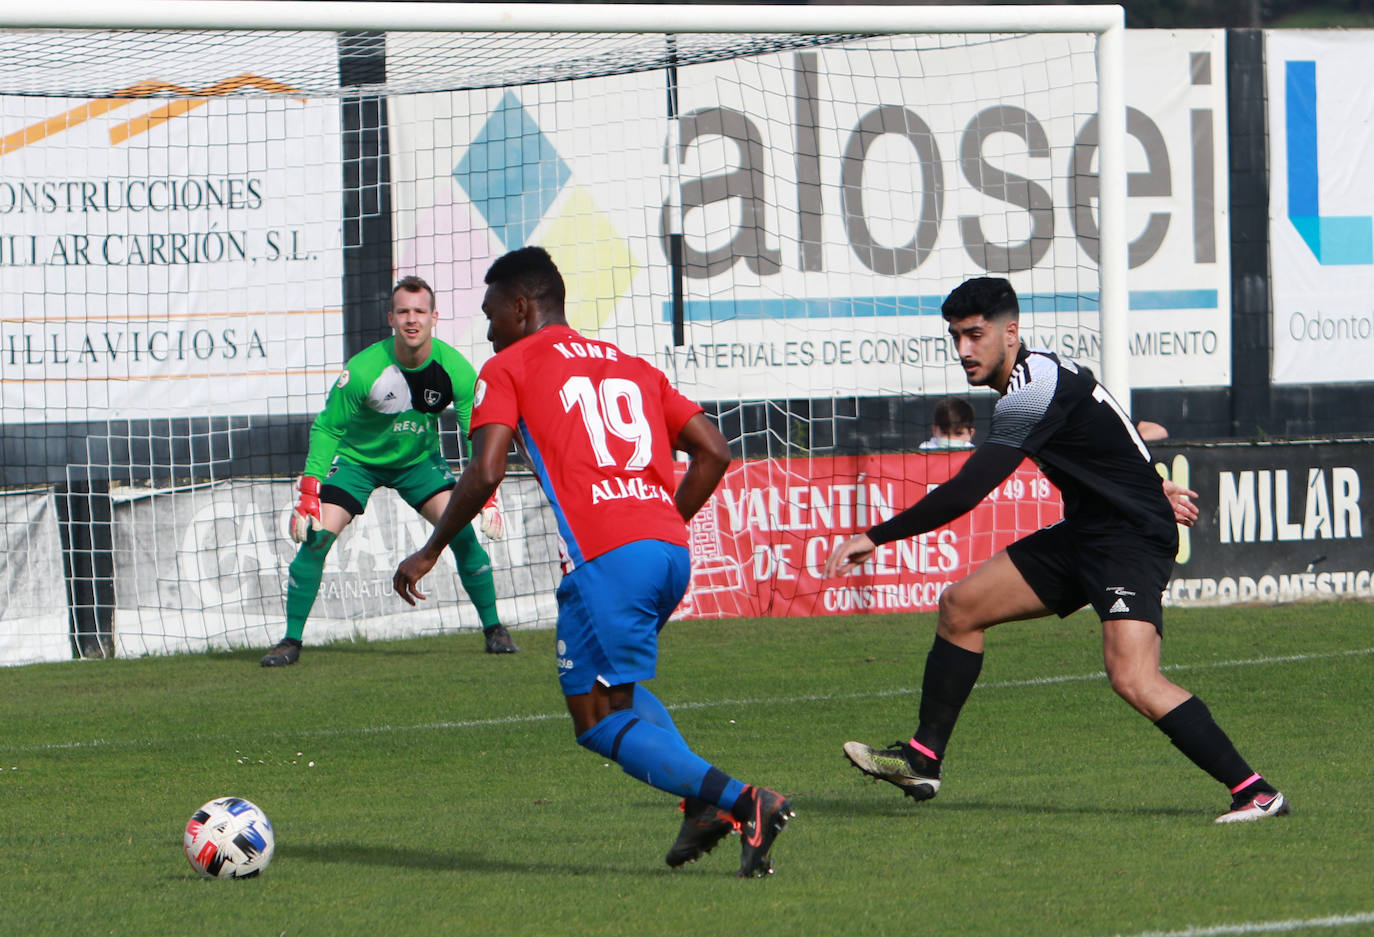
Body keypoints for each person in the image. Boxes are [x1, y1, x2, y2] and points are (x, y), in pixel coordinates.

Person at [825, 277, 1287, 824]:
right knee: (960, 607)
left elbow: (969, 491)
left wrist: (874, 536)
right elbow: (1113, 417)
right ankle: (923, 758)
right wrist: (1151, 479)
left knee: (1133, 677)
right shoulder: (1044, 374)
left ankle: (1255, 792)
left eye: (975, 335)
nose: (963, 350)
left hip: (1129, 540)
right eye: (955, 337)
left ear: (1010, 332)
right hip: (1087, 532)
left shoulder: (1031, 388)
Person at [392, 246, 793, 876]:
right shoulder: (629, 364)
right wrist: (656, 527)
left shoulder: (509, 365)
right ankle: (701, 805)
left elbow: (486, 470)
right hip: (667, 551)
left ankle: (745, 801)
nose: (489, 327)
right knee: (615, 691)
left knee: (596, 718)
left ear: (521, 307)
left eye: (491, 312)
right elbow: (713, 451)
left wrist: (430, 548)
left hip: (608, 560)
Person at [261, 275, 519, 667]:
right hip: (357, 464)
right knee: (315, 539)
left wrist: (489, 495)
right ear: (391, 318)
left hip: (418, 464)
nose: (411, 320)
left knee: (462, 535)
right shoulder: (364, 369)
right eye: (403, 312)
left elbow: (475, 434)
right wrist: (309, 491)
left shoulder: (457, 370)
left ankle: (494, 630)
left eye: (419, 312)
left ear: (434, 317)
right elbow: (328, 427)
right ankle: (290, 640)